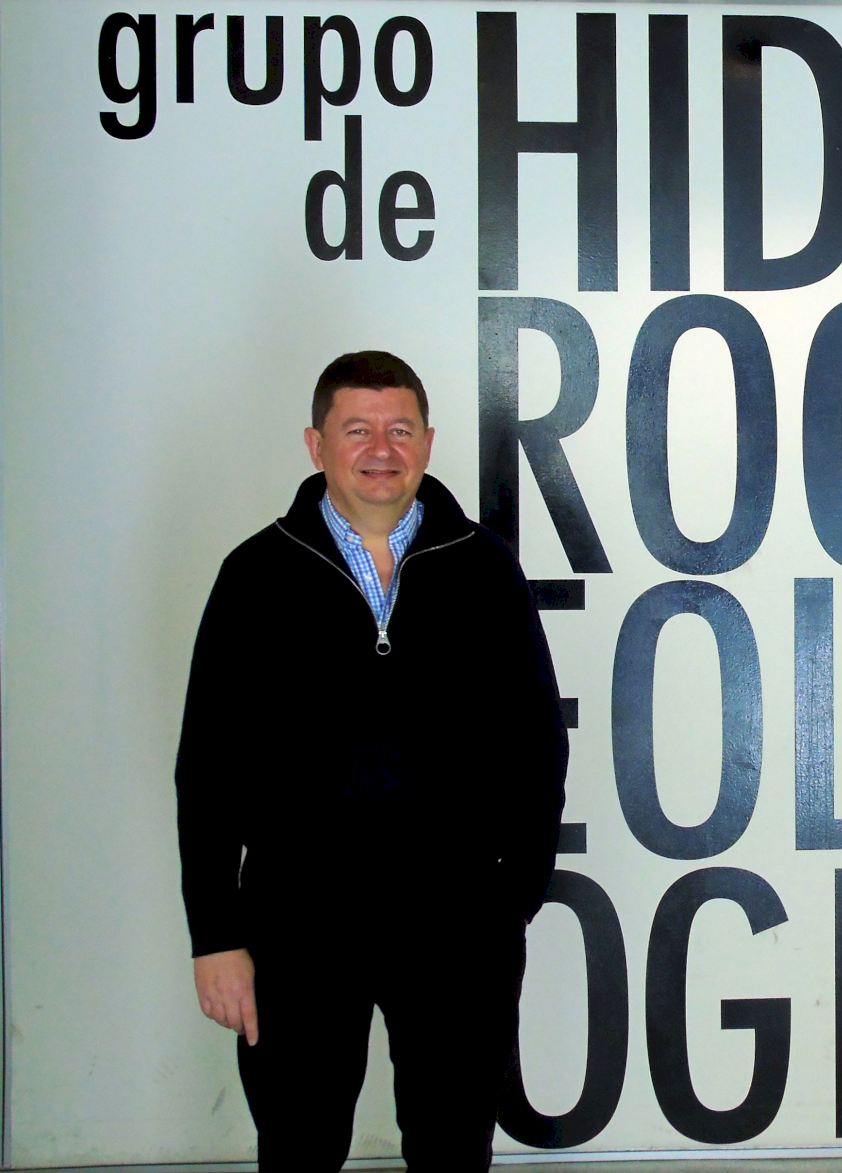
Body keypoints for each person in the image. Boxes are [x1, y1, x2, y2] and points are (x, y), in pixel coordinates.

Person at [175, 351, 568, 1171]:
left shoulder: (486, 568)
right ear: (316, 445)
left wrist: (512, 898)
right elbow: (208, 767)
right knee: (299, 1149)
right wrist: (216, 935)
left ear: (427, 442)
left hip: (459, 925)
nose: (381, 449)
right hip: (297, 926)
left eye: (399, 429)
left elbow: (536, 742)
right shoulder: (255, 574)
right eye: (357, 430)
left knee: (453, 1150)